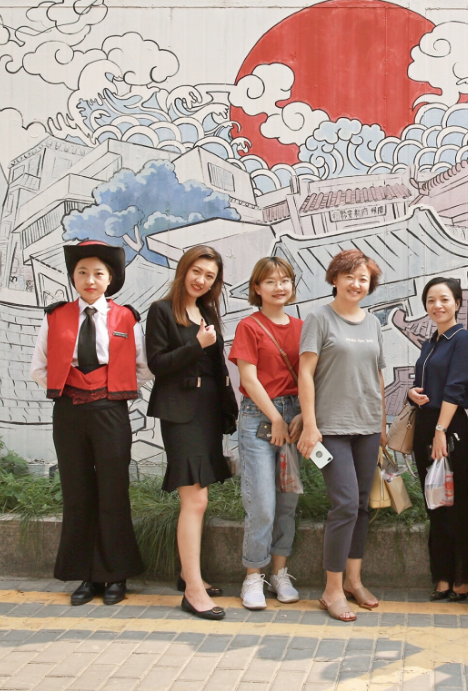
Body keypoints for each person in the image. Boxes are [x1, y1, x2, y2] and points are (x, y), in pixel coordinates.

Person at [30, 241, 151, 606]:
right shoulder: (55, 316)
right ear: (73, 277)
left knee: (113, 491)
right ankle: (86, 575)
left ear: (110, 279)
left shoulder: (126, 318)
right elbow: (39, 367)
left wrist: (108, 388)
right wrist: (71, 387)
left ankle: (115, 575)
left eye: (98, 273)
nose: (90, 280)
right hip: (68, 412)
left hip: (110, 410)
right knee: (78, 492)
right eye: (82, 272)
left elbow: (143, 368)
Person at [146, 245, 238, 621]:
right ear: (184, 270)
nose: (201, 280)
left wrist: (227, 410)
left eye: (210, 276)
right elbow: (157, 364)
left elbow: (217, 366)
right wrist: (195, 344)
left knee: (201, 498)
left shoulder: (208, 312)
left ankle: (188, 574)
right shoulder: (161, 311)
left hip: (207, 411)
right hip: (180, 413)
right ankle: (193, 590)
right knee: (195, 499)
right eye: (197, 271)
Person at [298, 249, 387, 623]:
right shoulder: (319, 318)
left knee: (362, 505)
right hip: (331, 428)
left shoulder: (374, 323)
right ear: (334, 278)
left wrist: (382, 426)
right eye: (349, 276)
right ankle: (331, 590)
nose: (356, 283)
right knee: (346, 504)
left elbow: (378, 375)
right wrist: (310, 424)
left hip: (367, 426)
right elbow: (305, 373)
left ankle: (353, 580)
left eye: (363, 278)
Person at [229, 257, 304, 611]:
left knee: (287, 502)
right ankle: (252, 576)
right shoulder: (249, 326)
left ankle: (279, 572)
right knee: (261, 504)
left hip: (294, 418)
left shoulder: (303, 327)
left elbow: (311, 376)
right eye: (270, 281)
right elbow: (248, 378)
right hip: (259, 418)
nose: (279, 287)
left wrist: (302, 415)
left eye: (285, 280)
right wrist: (276, 417)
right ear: (257, 288)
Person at [408, 277, 468, 602]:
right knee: (434, 501)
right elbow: (426, 383)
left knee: (456, 502)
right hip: (425, 426)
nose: (437, 305)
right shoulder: (430, 342)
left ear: (457, 303)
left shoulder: (462, 340)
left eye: (444, 299)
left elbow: (456, 387)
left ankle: (462, 577)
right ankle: (442, 576)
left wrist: (440, 431)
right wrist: (412, 393)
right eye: (431, 301)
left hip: (449, 429)